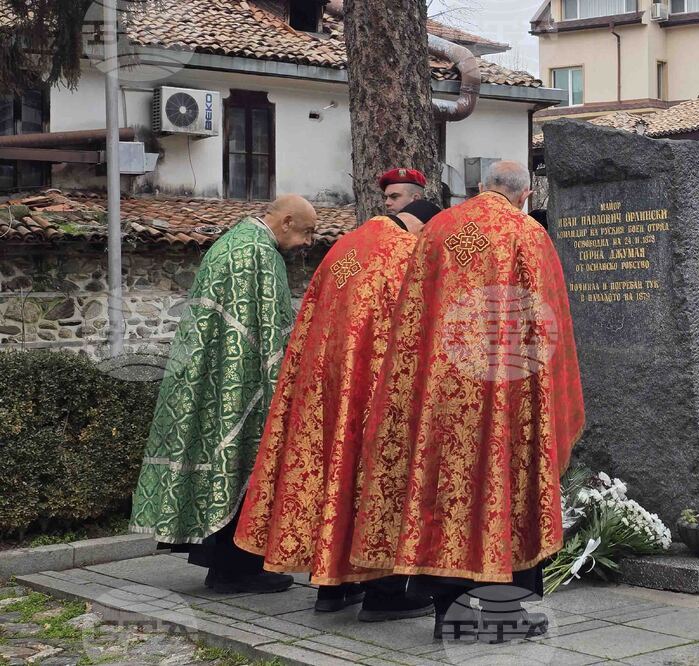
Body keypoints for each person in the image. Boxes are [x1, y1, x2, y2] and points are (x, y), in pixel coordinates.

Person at [349, 161, 585, 640]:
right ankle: (502, 613)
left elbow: (411, 320)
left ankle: (447, 614)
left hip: (439, 396)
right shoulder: (527, 233)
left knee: (444, 494)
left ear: (480, 189)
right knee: (503, 493)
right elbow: (547, 324)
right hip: (506, 396)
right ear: (525, 194)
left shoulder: (436, 229)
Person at [233, 201, 441, 620]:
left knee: (336, 482)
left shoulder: (346, 246)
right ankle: (386, 594)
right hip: (375, 393)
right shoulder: (402, 252)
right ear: (422, 226)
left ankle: (332, 590)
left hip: (325, 392)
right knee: (377, 484)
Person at [130, 194, 317, 594]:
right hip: (242, 384)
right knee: (242, 465)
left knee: (220, 464)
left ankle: (223, 566)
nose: (307, 243)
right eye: (307, 232)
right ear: (285, 222)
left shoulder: (229, 243)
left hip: (210, 377)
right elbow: (275, 331)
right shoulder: (262, 256)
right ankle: (238, 570)